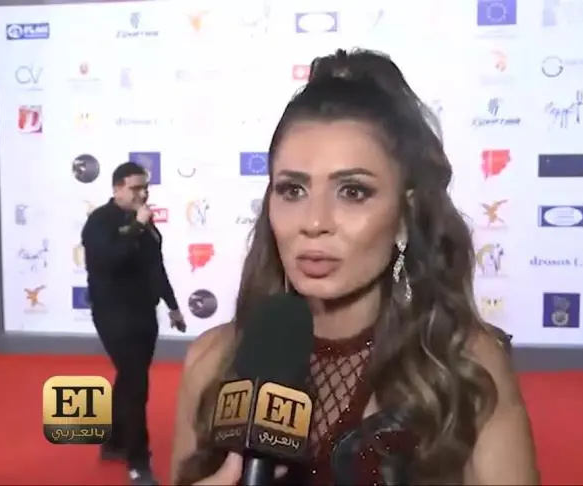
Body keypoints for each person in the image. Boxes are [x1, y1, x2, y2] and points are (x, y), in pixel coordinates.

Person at [170, 49, 538, 485]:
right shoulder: (212, 362)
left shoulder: (463, 367)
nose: (314, 222)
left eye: (353, 192)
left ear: (405, 214)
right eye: (292, 190)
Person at [82, 161, 186, 486]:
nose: (142, 194)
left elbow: (156, 266)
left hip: (144, 313)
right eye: (135, 188)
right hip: (113, 314)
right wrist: (138, 227)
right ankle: (138, 462)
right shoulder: (99, 222)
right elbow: (110, 259)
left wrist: (172, 306)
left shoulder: (146, 224)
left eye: (145, 188)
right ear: (117, 189)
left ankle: (114, 441)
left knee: (130, 379)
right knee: (136, 384)